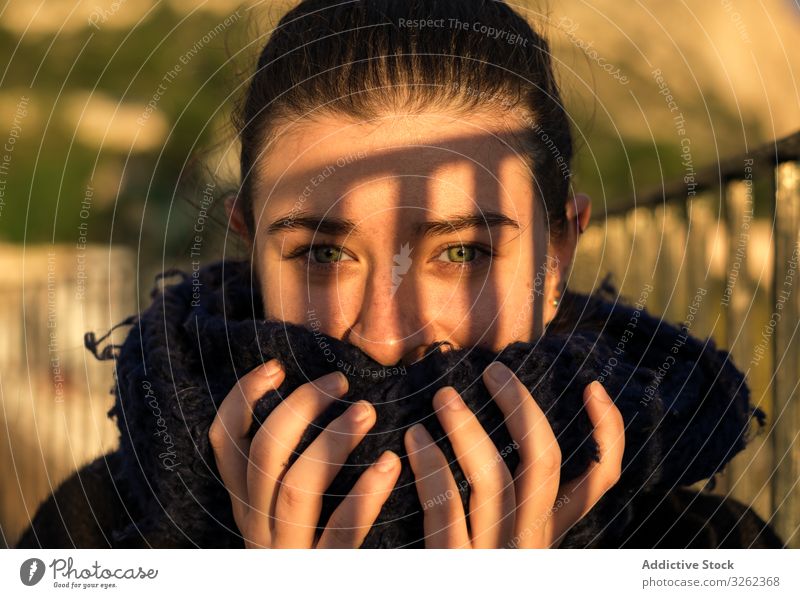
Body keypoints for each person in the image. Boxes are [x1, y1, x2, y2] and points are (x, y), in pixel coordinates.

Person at [16, 0, 783, 549]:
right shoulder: (93, 532)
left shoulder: (714, 551)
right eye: (322, 254)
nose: (385, 337)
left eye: (461, 253)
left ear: (557, 260)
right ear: (252, 252)